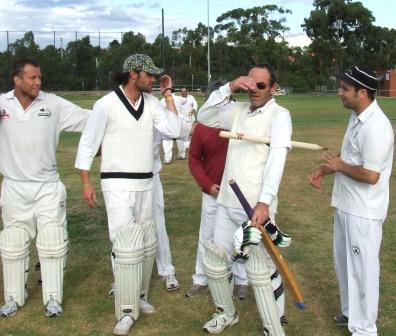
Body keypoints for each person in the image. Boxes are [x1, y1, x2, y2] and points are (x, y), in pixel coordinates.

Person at [75, 54, 190, 336]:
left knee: (144, 244)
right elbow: (88, 144)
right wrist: (86, 183)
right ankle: (125, 310)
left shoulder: (152, 103)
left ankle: (137, 295)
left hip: (146, 183)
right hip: (116, 184)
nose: (152, 79)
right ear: (132, 74)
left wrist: (167, 94)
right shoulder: (105, 105)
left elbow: (175, 130)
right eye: (149, 75)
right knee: (124, 245)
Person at [197, 63, 292, 335]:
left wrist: (265, 201)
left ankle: (274, 322)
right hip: (228, 199)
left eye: (261, 85)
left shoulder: (279, 115)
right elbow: (204, 116)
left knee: (262, 267)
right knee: (217, 261)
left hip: (256, 206)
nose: (254, 90)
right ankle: (225, 313)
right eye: (250, 84)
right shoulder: (237, 110)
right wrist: (229, 86)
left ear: (273, 88)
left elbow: (277, 160)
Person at [0, 58, 90, 317]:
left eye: (40, 78)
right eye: (32, 78)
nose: (38, 82)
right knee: (13, 242)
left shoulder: (52, 104)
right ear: (16, 80)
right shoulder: (2, 104)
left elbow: (91, 121)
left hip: (47, 187)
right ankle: (13, 299)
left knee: (52, 241)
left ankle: (53, 298)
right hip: (14, 187)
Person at [309, 66, 394, 336]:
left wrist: (338, 165)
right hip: (346, 205)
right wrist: (326, 169)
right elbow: (349, 159)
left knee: (364, 271)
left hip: (364, 212)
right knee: (344, 264)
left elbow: (370, 175)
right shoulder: (356, 117)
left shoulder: (377, 127)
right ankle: (349, 312)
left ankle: (366, 329)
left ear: (362, 92)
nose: (340, 93)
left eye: (345, 89)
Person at [187, 80, 248, 300]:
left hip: (239, 193)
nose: (225, 104)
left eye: (228, 100)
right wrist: (206, 184)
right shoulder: (202, 127)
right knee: (207, 236)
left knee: (240, 237)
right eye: (220, 100)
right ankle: (201, 278)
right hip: (212, 193)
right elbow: (194, 160)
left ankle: (241, 280)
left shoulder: (240, 122)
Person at [162, 87, 198, 162]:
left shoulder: (163, 100)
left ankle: (167, 159)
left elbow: (159, 108)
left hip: (169, 122)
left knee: (167, 140)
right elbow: (184, 100)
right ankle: (182, 155)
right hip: (178, 122)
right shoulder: (179, 98)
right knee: (180, 138)